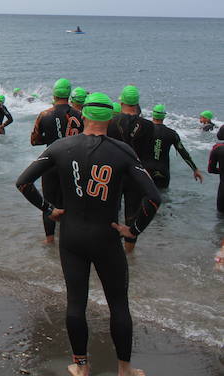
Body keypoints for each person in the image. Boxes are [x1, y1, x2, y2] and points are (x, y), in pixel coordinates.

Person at [16, 92, 160, 376]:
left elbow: (23, 183)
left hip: (71, 237)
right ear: (110, 118)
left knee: (75, 302)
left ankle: (81, 366)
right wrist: (133, 230)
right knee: (118, 304)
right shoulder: (122, 151)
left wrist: (49, 210)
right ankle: (124, 369)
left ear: (84, 116)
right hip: (106, 237)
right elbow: (153, 197)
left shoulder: (61, 146)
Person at [29, 78, 84, 243]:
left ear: (54, 94)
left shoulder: (44, 115)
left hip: (50, 163)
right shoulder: (80, 115)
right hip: (73, 164)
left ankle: (50, 241)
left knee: (49, 203)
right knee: (71, 202)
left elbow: (34, 140)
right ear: (69, 95)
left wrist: (51, 138)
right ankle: (70, 239)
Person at [107, 85, 154, 252]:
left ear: (121, 101)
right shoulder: (148, 126)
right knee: (132, 214)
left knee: (111, 211)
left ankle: (110, 248)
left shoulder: (110, 123)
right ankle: (129, 253)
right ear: (137, 103)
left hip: (114, 173)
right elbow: (148, 155)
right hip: (136, 175)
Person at [143, 104, 203, 189]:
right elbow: (183, 153)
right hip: (163, 172)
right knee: (163, 199)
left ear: (153, 115)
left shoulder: (144, 131)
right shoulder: (172, 134)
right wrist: (195, 169)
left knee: (145, 196)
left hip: (146, 171)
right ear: (164, 116)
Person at [207, 128, 224, 212]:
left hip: (222, 193)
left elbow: (210, 169)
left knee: (220, 219)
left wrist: (221, 171)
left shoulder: (217, 148)